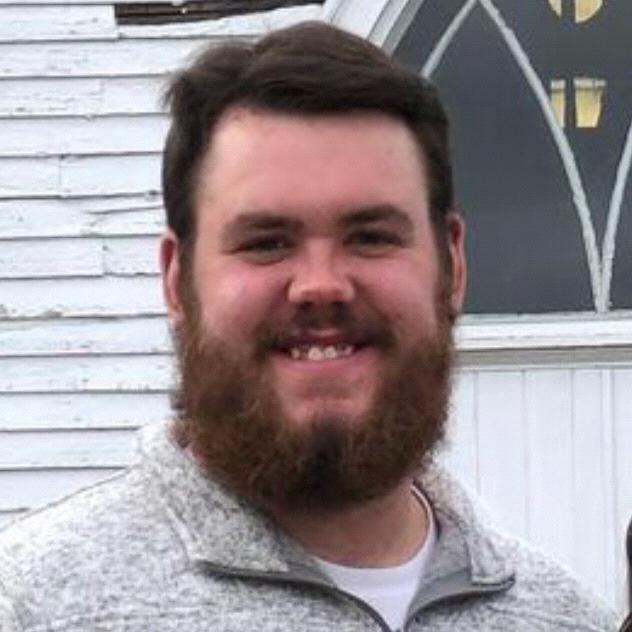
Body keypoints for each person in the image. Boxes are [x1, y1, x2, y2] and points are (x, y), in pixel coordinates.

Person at [0, 21, 618, 632]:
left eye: (370, 237)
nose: (321, 285)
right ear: (175, 279)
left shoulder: (566, 618)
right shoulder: (31, 605)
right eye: (266, 242)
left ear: (452, 264)